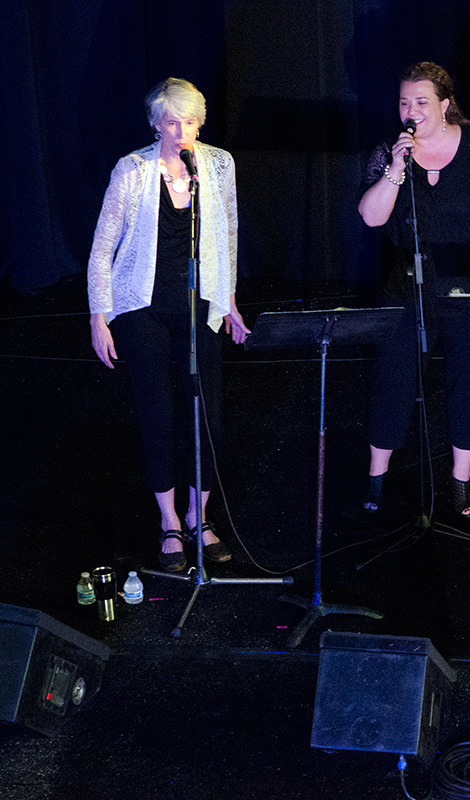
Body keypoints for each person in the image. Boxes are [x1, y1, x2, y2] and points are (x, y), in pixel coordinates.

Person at [88, 77, 248, 571]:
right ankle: (169, 522)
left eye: (191, 122)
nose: (182, 132)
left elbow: (229, 233)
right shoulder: (132, 170)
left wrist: (231, 302)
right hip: (142, 308)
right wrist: (100, 316)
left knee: (208, 417)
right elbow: (103, 246)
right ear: (156, 124)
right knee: (158, 417)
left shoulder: (217, 165)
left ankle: (200, 517)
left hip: (201, 305)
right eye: (172, 122)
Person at [359, 61, 470, 519]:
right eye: (403, 102)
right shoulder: (390, 152)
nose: (411, 111)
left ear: (445, 104)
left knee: (469, 380)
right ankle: (377, 476)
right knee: (393, 377)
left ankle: (461, 481)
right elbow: (372, 217)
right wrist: (396, 169)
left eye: (421, 102)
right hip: (406, 287)